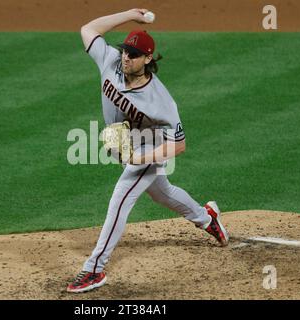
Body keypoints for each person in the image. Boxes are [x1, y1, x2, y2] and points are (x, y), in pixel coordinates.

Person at [67, 8, 229, 293]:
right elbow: (87, 30)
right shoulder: (110, 61)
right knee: (161, 192)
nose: (126, 57)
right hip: (128, 146)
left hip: (149, 148)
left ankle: (94, 269)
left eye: (133, 54)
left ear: (148, 59)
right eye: (125, 51)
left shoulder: (161, 101)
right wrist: (130, 14)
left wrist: (140, 158)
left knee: (120, 199)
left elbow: (179, 144)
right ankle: (206, 218)